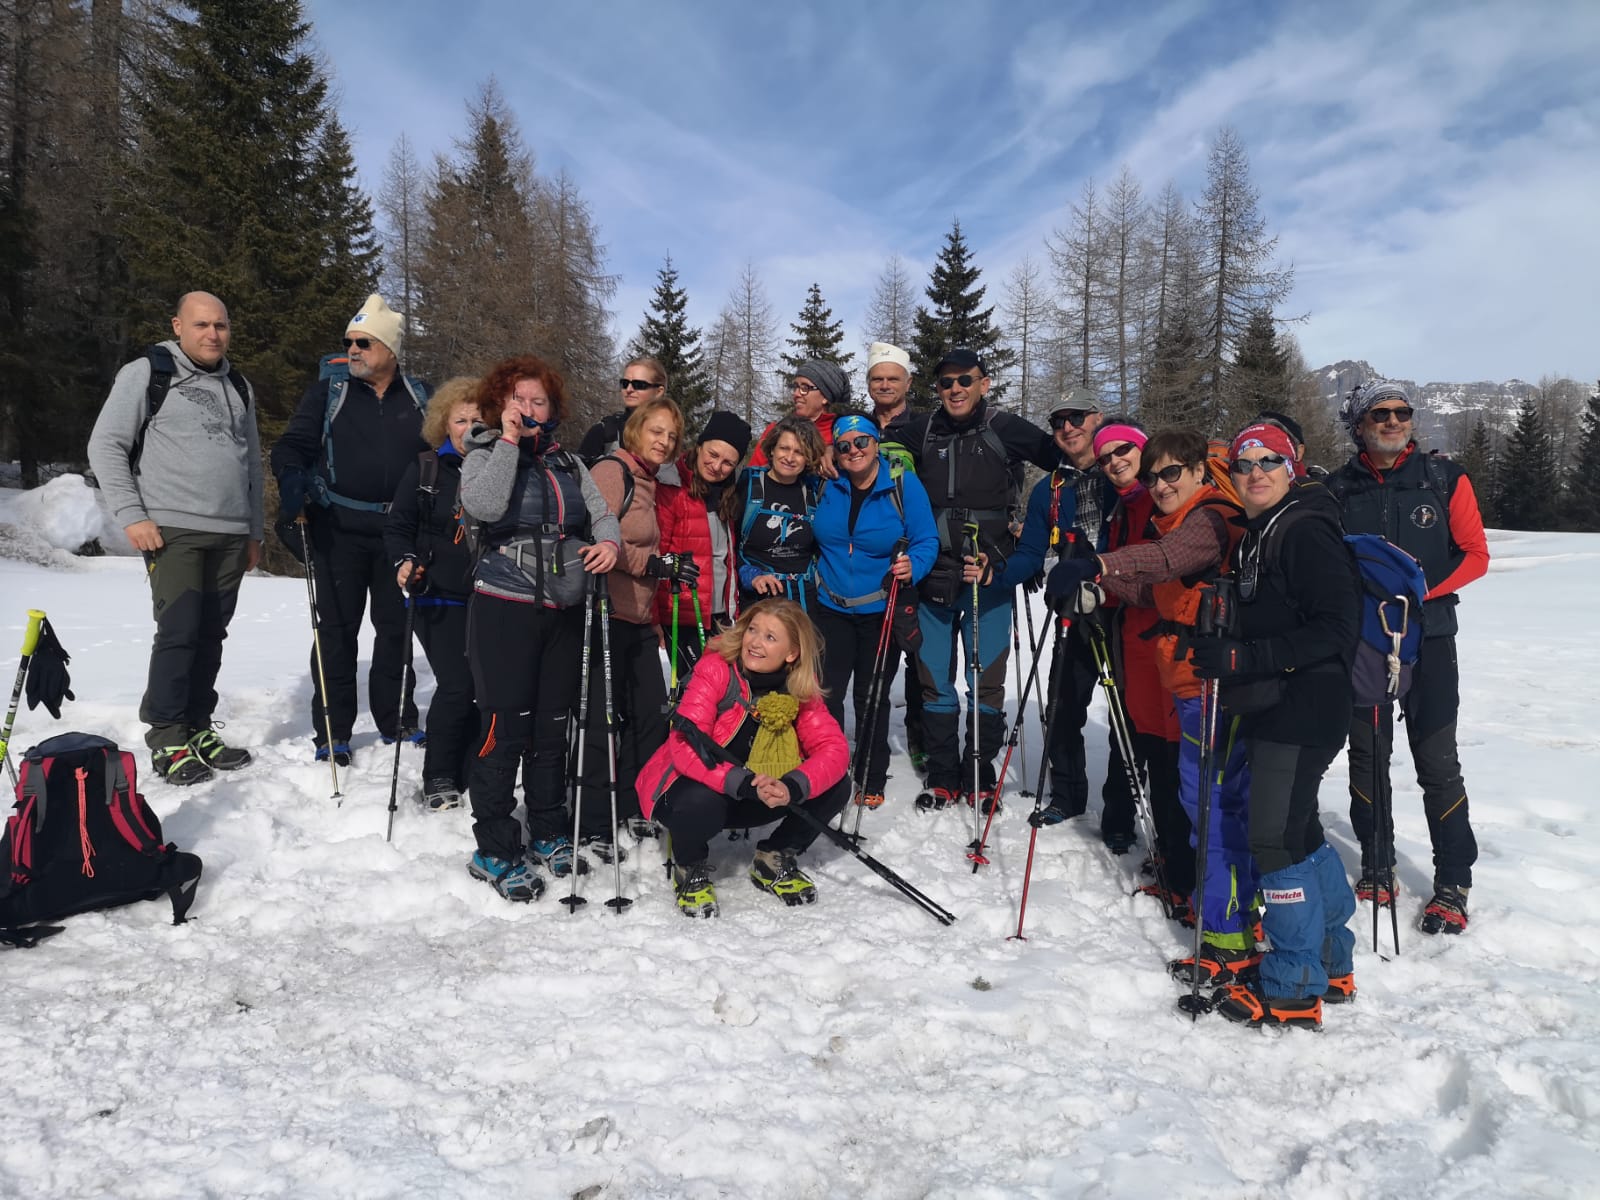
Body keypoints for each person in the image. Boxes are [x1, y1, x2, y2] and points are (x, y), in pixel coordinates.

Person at [1047, 429, 1251, 983]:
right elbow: (1159, 588)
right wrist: (1103, 591)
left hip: (1209, 684)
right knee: (1181, 783)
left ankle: (1227, 927)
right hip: (1181, 677)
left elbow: (1166, 560)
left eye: (1170, 473)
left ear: (1199, 473)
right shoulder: (1173, 517)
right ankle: (1189, 886)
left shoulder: (1210, 518)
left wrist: (1097, 568)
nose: (1160, 484)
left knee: (1209, 802)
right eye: (1155, 475)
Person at [1189, 421, 1361, 1028]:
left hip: (1303, 706)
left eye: (1269, 461)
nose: (1255, 471)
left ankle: (1292, 984)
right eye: (1243, 463)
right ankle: (1331, 958)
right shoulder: (1264, 530)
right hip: (1281, 704)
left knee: (1273, 841)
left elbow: (1339, 627)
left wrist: (1247, 657)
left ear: (1292, 468)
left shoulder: (1306, 530)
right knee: (1300, 829)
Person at [457, 356, 620, 901]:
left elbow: (600, 514)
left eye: (539, 401)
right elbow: (482, 506)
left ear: (553, 410)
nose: (528, 409)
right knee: (506, 726)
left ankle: (548, 828)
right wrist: (507, 442)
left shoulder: (569, 463)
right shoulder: (481, 453)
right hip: (504, 603)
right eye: (518, 399)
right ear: (500, 404)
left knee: (554, 725)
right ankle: (496, 847)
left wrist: (609, 543)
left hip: (564, 605)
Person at [1329, 381, 1489, 934]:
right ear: (1360, 424)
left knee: (1438, 762)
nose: (1393, 421)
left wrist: (1420, 588)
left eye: (1402, 412)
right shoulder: (1337, 489)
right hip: (1366, 645)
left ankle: (1453, 881)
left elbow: (1475, 554)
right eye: (1380, 413)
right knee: (1368, 757)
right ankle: (1376, 864)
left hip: (1431, 638)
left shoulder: (1445, 479)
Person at [87, 291, 262, 784]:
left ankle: (197, 726)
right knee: (180, 631)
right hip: (173, 529)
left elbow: (250, 463)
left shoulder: (239, 385)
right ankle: (167, 736)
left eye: (221, 326)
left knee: (211, 633)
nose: (213, 334)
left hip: (230, 534)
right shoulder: (149, 372)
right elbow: (106, 444)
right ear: (178, 326)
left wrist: (254, 531)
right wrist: (131, 515)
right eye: (202, 325)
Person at [271, 294, 430, 765]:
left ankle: (397, 717)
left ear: (390, 349)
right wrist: (294, 479)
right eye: (349, 341)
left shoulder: (420, 396)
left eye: (364, 342)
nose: (353, 350)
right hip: (337, 529)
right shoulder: (329, 393)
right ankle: (332, 730)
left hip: (398, 533)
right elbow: (291, 447)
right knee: (336, 631)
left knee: (395, 630)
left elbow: (442, 455)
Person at [902, 349, 1057, 813]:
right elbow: (874, 445)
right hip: (934, 574)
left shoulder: (1003, 427)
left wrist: (1029, 529)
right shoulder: (923, 429)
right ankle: (945, 773)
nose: (955, 389)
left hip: (988, 576)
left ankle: (979, 770)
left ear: (983, 384)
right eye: (946, 382)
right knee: (935, 680)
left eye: (965, 380)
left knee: (985, 681)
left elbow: (1059, 458)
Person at [636, 599, 851, 917]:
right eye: (752, 630)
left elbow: (833, 749)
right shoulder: (716, 670)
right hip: (693, 790)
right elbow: (685, 746)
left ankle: (773, 857)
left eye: (770, 637)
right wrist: (743, 782)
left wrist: (792, 786)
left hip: (759, 794)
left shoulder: (799, 687)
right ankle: (689, 866)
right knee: (699, 801)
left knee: (837, 785)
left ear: (792, 653)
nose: (755, 642)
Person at [811, 412, 938, 808]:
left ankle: (870, 772)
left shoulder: (901, 482)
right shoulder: (826, 483)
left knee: (872, 694)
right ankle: (827, 769)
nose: (854, 451)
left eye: (861, 441)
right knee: (826, 693)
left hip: (880, 608)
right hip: (829, 605)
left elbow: (926, 539)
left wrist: (913, 565)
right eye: (844, 445)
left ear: (875, 442)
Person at [576, 395, 684, 859]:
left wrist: (656, 617)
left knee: (650, 717)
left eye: (672, 436)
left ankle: (635, 802)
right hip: (605, 614)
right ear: (637, 429)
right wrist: (653, 564)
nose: (664, 441)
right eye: (656, 431)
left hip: (638, 620)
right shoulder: (611, 472)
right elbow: (598, 543)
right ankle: (594, 820)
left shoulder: (648, 480)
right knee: (601, 722)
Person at [384, 377, 481, 811]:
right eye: (460, 419)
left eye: (479, 419)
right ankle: (439, 774)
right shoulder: (426, 469)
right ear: (444, 425)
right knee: (458, 685)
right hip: (437, 594)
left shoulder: (502, 471)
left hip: (489, 598)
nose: (469, 427)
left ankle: (472, 768)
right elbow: (399, 525)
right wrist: (404, 561)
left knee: (485, 687)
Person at [654, 412, 752, 682]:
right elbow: (656, 554)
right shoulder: (672, 487)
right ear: (699, 446)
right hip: (682, 612)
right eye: (712, 453)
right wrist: (653, 616)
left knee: (718, 693)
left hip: (719, 617)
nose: (717, 466)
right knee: (692, 691)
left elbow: (726, 561)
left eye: (728, 462)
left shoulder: (727, 497)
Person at [864, 342, 924, 770]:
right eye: (876, 378)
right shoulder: (856, 428)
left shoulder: (925, 428)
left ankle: (920, 741)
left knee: (921, 661)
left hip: (917, 559)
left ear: (907, 382)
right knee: (876, 668)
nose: (884, 384)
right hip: (869, 566)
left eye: (892, 378)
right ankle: (871, 750)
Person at [733, 415, 825, 611]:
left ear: (808, 458)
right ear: (772, 449)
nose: (790, 458)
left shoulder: (814, 490)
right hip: (760, 598)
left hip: (804, 600)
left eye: (799, 452)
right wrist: (750, 574)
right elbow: (729, 542)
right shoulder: (749, 485)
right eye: (784, 448)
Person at [749, 359, 847, 470]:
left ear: (825, 397)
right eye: (796, 387)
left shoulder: (841, 433)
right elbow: (753, 477)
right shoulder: (777, 429)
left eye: (805, 388)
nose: (796, 394)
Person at [578, 355, 667, 463]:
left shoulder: (670, 435)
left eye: (638, 385)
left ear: (659, 391)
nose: (629, 389)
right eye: (625, 384)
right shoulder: (604, 432)